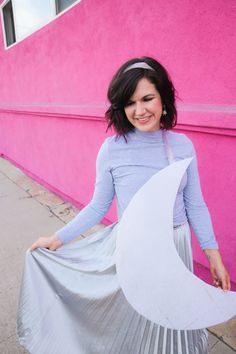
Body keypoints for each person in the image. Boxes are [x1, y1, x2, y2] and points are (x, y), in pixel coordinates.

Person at [18, 57, 230, 354]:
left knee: (173, 317)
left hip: (175, 245)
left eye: (147, 99)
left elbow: (195, 205)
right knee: (138, 319)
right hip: (134, 248)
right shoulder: (113, 149)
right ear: (121, 107)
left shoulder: (182, 146)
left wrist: (213, 255)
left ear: (163, 99)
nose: (140, 111)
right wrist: (57, 238)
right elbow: (98, 205)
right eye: (130, 103)